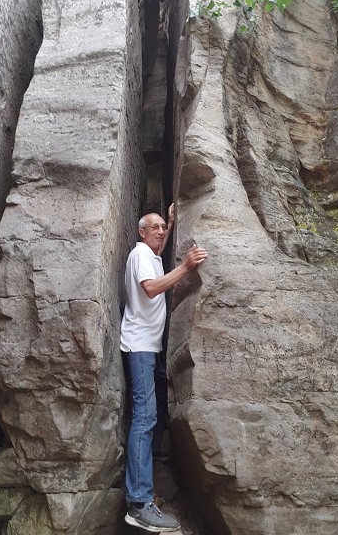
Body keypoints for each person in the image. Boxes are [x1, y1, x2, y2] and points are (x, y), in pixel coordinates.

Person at [121, 204, 208, 532]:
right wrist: (185, 266)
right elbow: (151, 288)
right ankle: (138, 503)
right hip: (140, 348)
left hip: (151, 350)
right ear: (141, 232)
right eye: (154, 227)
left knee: (155, 416)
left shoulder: (152, 255)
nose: (160, 231)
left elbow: (158, 252)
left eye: (162, 228)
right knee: (144, 419)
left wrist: (171, 223)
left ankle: (145, 488)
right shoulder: (140, 254)